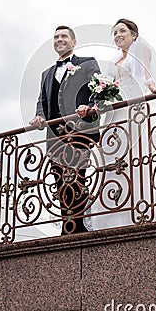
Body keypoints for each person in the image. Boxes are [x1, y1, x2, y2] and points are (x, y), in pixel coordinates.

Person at [79, 19, 156, 231]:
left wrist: (154, 88)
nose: (118, 35)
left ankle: (138, 209)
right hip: (115, 115)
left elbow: (146, 76)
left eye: (122, 31)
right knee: (113, 161)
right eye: (115, 32)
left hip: (133, 111)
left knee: (134, 158)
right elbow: (107, 87)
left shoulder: (141, 49)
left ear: (133, 35)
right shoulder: (115, 59)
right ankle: (113, 212)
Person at [29, 25, 100, 234]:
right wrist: (39, 116)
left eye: (64, 36)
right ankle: (67, 226)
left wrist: (90, 107)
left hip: (80, 131)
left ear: (74, 42)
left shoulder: (87, 63)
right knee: (59, 179)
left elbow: (99, 89)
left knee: (78, 176)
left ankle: (79, 226)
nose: (59, 39)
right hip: (54, 135)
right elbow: (42, 100)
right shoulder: (46, 73)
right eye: (56, 37)